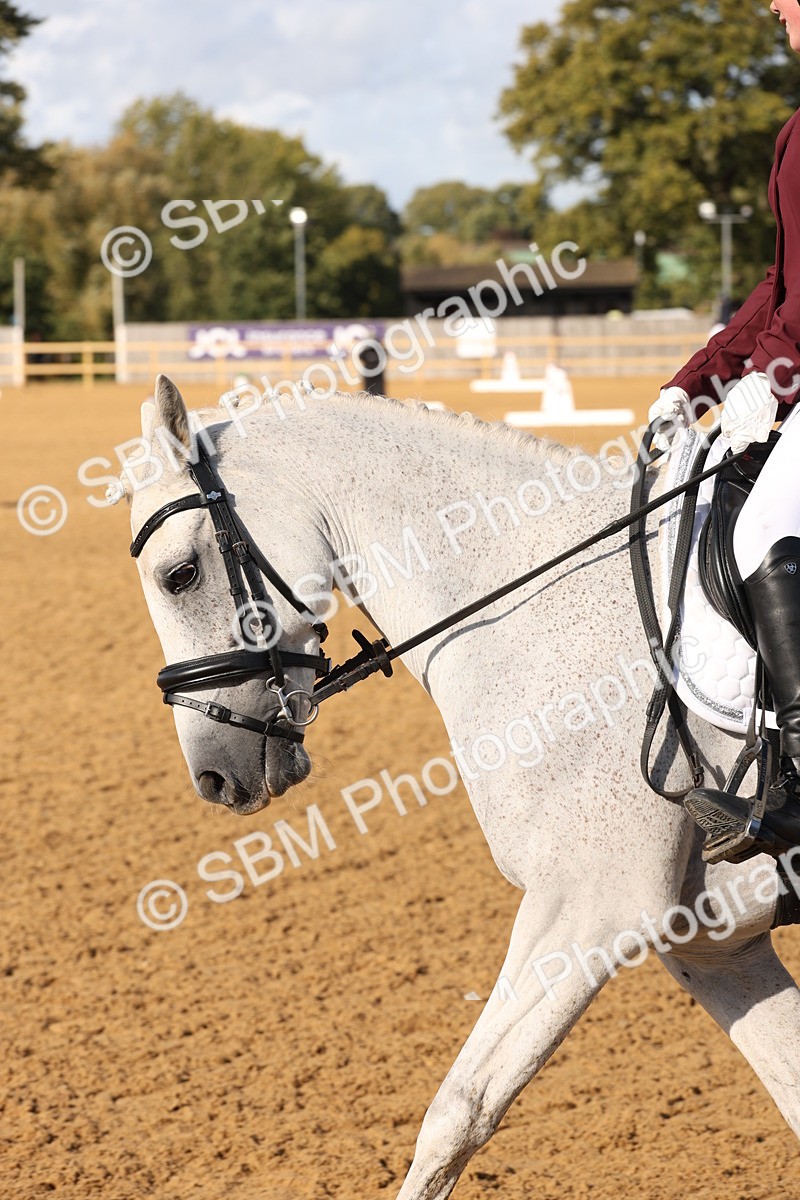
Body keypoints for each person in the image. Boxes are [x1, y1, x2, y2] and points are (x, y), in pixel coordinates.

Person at [649, 0, 800, 858]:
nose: (772, 4)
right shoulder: (794, 132)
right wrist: (699, 381)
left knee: (763, 530)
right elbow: (780, 287)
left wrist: (773, 384)